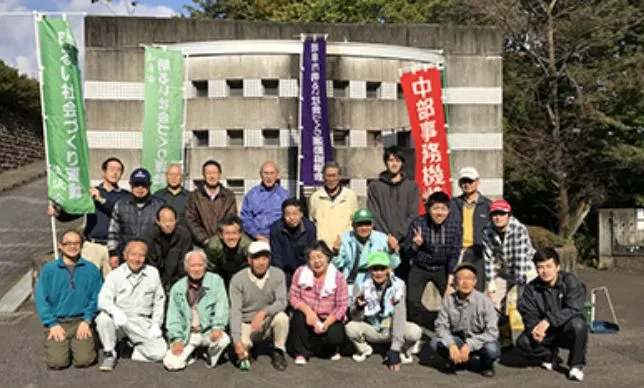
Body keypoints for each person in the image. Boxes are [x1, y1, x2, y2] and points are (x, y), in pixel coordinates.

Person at [48, 157, 129, 277]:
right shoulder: (91, 192)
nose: (115, 172)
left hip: (114, 248)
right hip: (92, 246)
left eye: (119, 170)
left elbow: (120, 213)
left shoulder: (125, 196)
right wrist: (58, 213)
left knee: (112, 286)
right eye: (111, 169)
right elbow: (75, 212)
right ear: (103, 172)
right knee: (87, 281)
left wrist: (101, 200)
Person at [35, 229, 103, 369]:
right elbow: (41, 299)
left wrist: (87, 320)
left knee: (85, 360)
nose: (72, 247)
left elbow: (96, 296)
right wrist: (51, 324)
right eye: (68, 243)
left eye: (76, 243)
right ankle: (63, 345)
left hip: (81, 321)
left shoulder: (91, 269)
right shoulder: (49, 269)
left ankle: (86, 340)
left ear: (82, 245)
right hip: (58, 322)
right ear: (60, 246)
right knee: (57, 363)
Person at [516, 248, 587, 382]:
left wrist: (547, 320)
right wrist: (534, 328)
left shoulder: (569, 281)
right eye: (540, 267)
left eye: (549, 266)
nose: (545, 271)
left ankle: (576, 365)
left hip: (566, 329)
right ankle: (549, 355)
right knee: (523, 342)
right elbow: (527, 312)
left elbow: (574, 308)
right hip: (547, 333)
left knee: (579, 324)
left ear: (557, 267)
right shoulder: (531, 288)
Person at [96, 240, 167, 371]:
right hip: (119, 320)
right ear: (125, 255)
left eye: (141, 255)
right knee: (102, 318)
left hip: (141, 320)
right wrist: (115, 312)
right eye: (133, 254)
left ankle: (129, 350)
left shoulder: (153, 273)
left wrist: (156, 323)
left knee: (160, 353)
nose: (137, 259)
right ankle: (109, 352)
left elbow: (159, 301)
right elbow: (103, 300)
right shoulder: (115, 275)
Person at [346, 252, 422, 371]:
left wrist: (395, 348)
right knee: (350, 327)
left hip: (391, 328)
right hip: (372, 327)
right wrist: (358, 307)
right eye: (375, 269)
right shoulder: (360, 284)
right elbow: (355, 317)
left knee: (415, 331)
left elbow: (399, 316)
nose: (379, 273)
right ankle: (365, 349)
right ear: (369, 270)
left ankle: (403, 350)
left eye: (382, 269)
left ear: (388, 269)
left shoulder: (399, 285)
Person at [163, 250, 230, 370]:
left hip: (207, 332)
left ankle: (208, 354)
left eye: (200, 265)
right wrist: (177, 339)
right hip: (187, 334)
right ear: (186, 267)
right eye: (193, 265)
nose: (197, 269)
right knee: (171, 363)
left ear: (205, 266)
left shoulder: (216, 281)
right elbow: (173, 316)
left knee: (223, 340)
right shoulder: (177, 288)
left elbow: (222, 306)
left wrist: (218, 327)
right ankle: (191, 354)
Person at [404, 191, 462, 330]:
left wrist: (450, 279)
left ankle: (454, 331)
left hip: (442, 267)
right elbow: (407, 252)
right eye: (435, 208)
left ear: (448, 210)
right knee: (412, 301)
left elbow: (455, 253)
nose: (439, 213)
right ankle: (415, 332)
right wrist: (415, 245)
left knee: (454, 300)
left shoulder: (454, 226)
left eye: (443, 209)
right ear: (428, 209)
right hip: (420, 266)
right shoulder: (418, 223)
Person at [431, 262, 500, 377]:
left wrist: (469, 345)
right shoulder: (448, 301)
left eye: (469, 278)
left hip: (480, 340)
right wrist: (451, 345)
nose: (465, 282)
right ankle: (459, 361)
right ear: (455, 282)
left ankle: (486, 365)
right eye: (461, 278)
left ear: (475, 281)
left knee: (491, 349)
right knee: (435, 343)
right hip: (459, 339)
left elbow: (492, 332)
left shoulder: (485, 301)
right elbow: (440, 326)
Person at [229, 241, 289, 371]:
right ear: (249, 260)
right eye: (256, 258)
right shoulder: (238, 279)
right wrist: (236, 340)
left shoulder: (278, 275)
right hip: (246, 323)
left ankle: (278, 350)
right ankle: (248, 348)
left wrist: (263, 313)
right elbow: (235, 311)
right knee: (241, 352)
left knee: (282, 318)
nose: (261, 262)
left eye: (265, 258)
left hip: (266, 321)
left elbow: (282, 301)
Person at [288, 241, 349, 365]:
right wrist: (308, 311)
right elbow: (293, 297)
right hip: (308, 316)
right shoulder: (300, 272)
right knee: (298, 317)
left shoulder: (339, 277)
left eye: (320, 257)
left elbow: (342, 307)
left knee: (335, 337)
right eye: (312, 258)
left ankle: (325, 350)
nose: (317, 262)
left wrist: (325, 323)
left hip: (329, 317)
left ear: (328, 257)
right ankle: (301, 352)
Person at [367, 146, 419, 280]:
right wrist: (387, 237)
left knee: (402, 284)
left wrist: (397, 236)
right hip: (381, 242)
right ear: (386, 162)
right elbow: (374, 214)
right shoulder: (375, 186)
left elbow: (413, 214)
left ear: (402, 163)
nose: (394, 164)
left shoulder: (411, 186)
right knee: (380, 281)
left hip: (404, 243)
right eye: (390, 160)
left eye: (397, 160)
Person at [332, 209, 401, 302]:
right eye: (360, 224)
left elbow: (393, 265)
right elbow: (337, 265)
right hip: (352, 279)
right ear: (353, 225)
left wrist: (392, 251)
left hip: (376, 278)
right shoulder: (345, 239)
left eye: (367, 224)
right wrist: (336, 252)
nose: (364, 228)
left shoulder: (382, 238)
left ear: (372, 225)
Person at [481, 199, 536, 310]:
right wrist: (491, 287)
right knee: (489, 302)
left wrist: (517, 291)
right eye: (495, 214)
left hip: (525, 271)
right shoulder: (487, 230)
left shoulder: (519, 229)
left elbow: (520, 260)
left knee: (521, 303)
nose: (498, 217)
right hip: (504, 271)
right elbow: (488, 259)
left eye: (502, 214)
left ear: (509, 215)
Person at [107, 168, 165, 268]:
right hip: (125, 257)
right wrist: (113, 253)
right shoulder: (121, 204)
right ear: (130, 185)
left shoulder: (160, 206)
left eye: (143, 185)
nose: (140, 189)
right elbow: (113, 232)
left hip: (152, 258)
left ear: (150, 185)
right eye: (136, 185)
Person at [449, 167, 491, 291]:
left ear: (477, 182)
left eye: (470, 181)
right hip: (457, 252)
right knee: (456, 289)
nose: (467, 184)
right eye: (463, 181)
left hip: (478, 253)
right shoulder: (452, 204)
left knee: (477, 291)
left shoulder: (488, 205)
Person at [185, 160, 237, 247]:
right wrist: (204, 240)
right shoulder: (194, 196)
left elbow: (230, 219)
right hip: (200, 244)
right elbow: (191, 220)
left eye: (214, 173)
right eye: (208, 173)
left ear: (220, 174)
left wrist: (219, 239)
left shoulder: (229, 196)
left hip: (223, 243)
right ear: (203, 175)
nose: (212, 176)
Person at [309, 161, 358, 249]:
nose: (331, 179)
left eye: (334, 175)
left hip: (345, 246)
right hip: (323, 247)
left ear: (339, 177)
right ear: (323, 177)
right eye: (328, 176)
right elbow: (312, 220)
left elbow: (355, 221)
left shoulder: (350, 196)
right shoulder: (315, 197)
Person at [144, 205, 193, 293]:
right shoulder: (150, 235)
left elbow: (184, 261)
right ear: (158, 222)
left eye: (171, 220)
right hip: (156, 277)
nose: (168, 224)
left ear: (176, 220)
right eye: (164, 221)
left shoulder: (184, 234)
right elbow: (151, 262)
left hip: (177, 277)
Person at [269, 198, 317, 288]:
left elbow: (312, 253)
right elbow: (276, 256)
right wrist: (280, 278)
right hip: (284, 271)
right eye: (287, 214)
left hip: (304, 271)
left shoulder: (310, 228)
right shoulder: (276, 229)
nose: (291, 218)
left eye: (295, 214)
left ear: (301, 214)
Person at [240, 161, 290, 241]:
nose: (269, 177)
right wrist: (256, 235)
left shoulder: (285, 195)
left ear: (277, 175)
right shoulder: (251, 195)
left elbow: (289, 217)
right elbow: (246, 219)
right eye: (266, 173)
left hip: (280, 238)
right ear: (261, 175)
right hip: (256, 238)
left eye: (272, 173)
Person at [204, 215, 252, 289]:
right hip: (220, 270)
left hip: (241, 269)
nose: (231, 237)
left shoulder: (247, 245)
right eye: (227, 233)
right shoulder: (213, 246)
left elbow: (251, 267)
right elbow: (210, 268)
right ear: (220, 235)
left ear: (240, 234)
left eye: (234, 233)